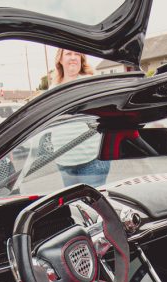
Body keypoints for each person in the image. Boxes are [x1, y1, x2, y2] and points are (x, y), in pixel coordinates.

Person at [49, 48, 110, 187]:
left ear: (82, 59)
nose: (73, 57)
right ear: (60, 59)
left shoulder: (90, 83)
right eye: (69, 54)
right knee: (75, 207)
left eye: (77, 54)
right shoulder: (53, 89)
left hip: (92, 160)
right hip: (64, 161)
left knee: (92, 207)